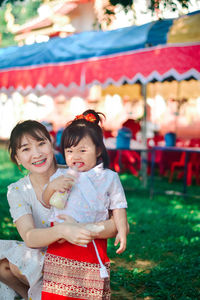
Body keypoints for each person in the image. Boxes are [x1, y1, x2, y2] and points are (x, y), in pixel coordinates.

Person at [0, 120, 117, 300]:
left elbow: (113, 225)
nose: (36, 153)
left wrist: (82, 229)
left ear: (52, 144)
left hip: (76, 257)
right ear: (17, 158)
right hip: (39, 255)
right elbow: (30, 237)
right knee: (8, 264)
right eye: (26, 149)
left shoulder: (78, 176)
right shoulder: (18, 190)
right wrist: (62, 230)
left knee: (18, 265)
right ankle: (29, 296)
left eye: (41, 143)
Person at [41, 109, 128, 299]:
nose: (75, 156)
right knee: (58, 291)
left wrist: (121, 230)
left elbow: (118, 206)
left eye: (82, 150)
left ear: (98, 150)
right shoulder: (61, 175)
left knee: (89, 289)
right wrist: (52, 187)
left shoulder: (108, 177)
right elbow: (46, 201)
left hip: (92, 240)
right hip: (61, 240)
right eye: (69, 151)